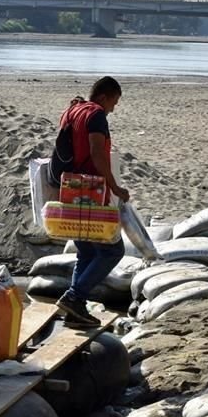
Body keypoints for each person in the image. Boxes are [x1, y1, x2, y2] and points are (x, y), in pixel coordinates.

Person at [53, 76, 130, 327]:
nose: (113, 109)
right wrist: (115, 186)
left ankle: (75, 310)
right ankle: (75, 296)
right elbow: (97, 153)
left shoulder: (72, 109)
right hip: (89, 191)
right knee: (112, 250)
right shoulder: (96, 114)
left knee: (85, 251)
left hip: (69, 187)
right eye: (114, 103)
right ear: (104, 96)